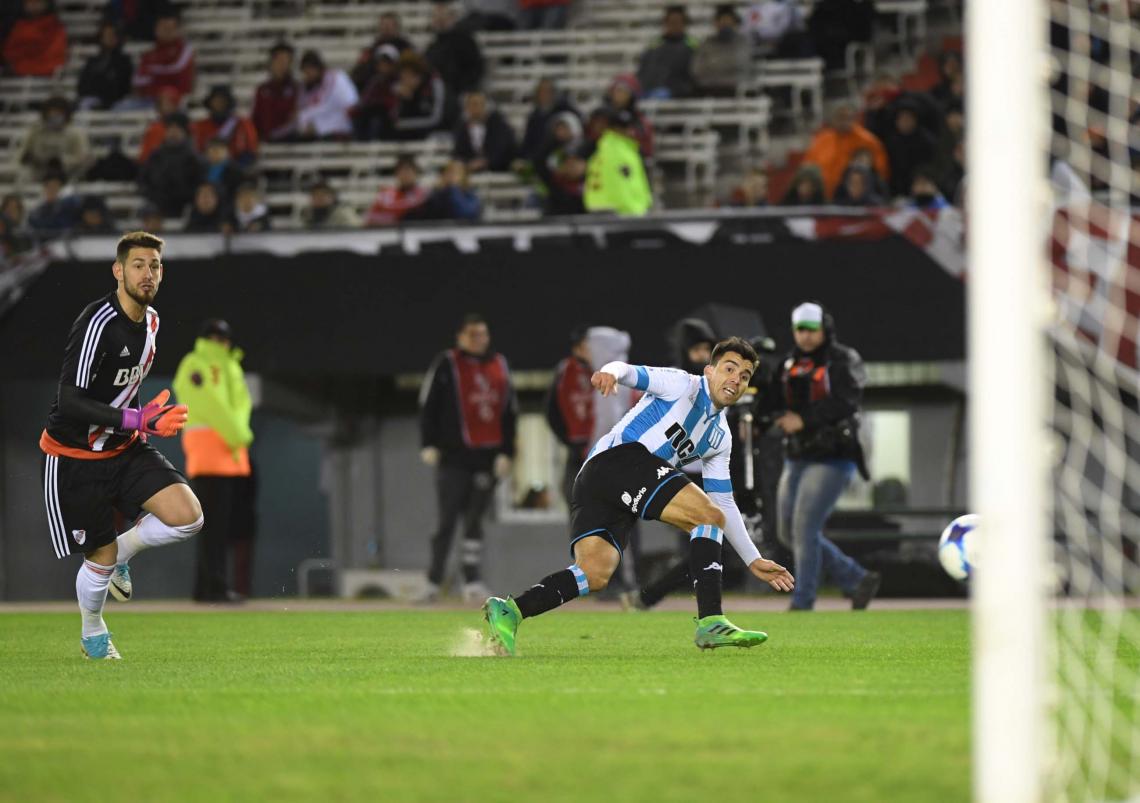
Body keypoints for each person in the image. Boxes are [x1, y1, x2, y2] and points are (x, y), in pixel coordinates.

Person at [481, 338, 794, 656]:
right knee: (707, 516)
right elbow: (629, 371)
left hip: (599, 481)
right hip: (617, 461)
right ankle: (711, 619)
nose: (735, 379)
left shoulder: (721, 437)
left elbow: (724, 502)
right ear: (710, 371)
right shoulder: (681, 384)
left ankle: (511, 612)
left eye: (744, 376)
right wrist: (609, 372)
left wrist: (752, 558)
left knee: (595, 573)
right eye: (729, 369)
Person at [39, 231, 201, 659]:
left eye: (155, 266)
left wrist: (149, 420)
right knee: (100, 555)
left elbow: (123, 391)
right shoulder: (97, 323)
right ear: (118, 271)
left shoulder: (152, 322)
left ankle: (123, 553)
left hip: (123, 446)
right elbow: (70, 401)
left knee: (188, 518)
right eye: (138, 265)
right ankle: (93, 633)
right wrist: (135, 419)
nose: (148, 274)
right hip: (74, 457)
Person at [759, 302, 879, 611]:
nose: (806, 336)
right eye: (800, 329)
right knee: (788, 532)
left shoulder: (843, 360)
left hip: (834, 455)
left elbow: (847, 400)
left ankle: (803, 601)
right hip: (797, 455)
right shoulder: (786, 364)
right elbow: (769, 401)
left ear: (824, 328)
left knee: (804, 528)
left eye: (812, 329)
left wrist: (804, 419)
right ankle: (856, 577)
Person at [418, 314, 517, 602]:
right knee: (446, 521)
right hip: (452, 458)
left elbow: (510, 410)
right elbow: (428, 405)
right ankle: (433, 581)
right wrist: (428, 443)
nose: (480, 340)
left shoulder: (499, 365)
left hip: (486, 459)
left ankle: (472, 581)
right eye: (473, 335)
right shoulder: (446, 364)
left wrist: (507, 452)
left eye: (483, 334)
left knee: (474, 522)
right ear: (460, 337)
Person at [172, 319, 254, 602]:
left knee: (217, 526)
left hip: (227, 454)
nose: (222, 341)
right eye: (217, 337)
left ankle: (206, 587)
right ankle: (213, 588)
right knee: (212, 527)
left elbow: (241, 402)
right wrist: (238, 433)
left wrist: (237, 434)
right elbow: (209, 404)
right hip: (211, 453)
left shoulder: (229, 365)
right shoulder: (197, 363)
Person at [544, 326, 595, 505]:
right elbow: (552, 412)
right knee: (574, 496)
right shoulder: (566, 370)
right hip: (578, 450)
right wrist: (570, 441)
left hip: (608, 448)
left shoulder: (612, 368)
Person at [801, 103, 889, 199]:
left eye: (847, 117)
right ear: (833, 118)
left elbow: (881, 171)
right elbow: (808, 169)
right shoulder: (821, 141)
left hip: (856, 200)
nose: (844, 121)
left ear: (855, 118)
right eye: (840, 117)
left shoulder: (868, 141)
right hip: (824, 198)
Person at [583, 110, 652, 216]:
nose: (628, 131)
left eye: (627, 126)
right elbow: (625, 184)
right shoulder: (618, 150)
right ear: (613, 128)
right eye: (621, 127)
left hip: (603, 207)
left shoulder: (605, 148)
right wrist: (637, 209)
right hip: (618, 211)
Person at [138, 112, 202, 218]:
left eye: (177, 129)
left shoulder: (193, 157)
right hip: (156, 204)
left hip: (184, 205)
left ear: (184, 132)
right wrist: (151, 194)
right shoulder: (156, 155)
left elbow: (198, 183)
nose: (173, 132)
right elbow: (143, 180)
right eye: (170, 129)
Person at [130, 7, 195, 106]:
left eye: (169, 28)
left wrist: (152, 72)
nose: (166, 31)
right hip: (148, 99)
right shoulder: (149, 54)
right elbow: (138, 80)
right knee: (119, 108)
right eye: (163, 28)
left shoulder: (185, 51)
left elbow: (178, 72)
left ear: (177, 29)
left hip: (175, 100)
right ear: (156, 29)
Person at [19, 95, 91, 181]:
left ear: (66, 115)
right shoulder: (35, 132)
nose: (55, 116)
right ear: (45, 114)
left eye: (59, 113)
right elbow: (23, 155)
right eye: (52, 113)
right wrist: (33, 158)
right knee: (23, 173)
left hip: (68, 174)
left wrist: (62, 161)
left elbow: (84, 157)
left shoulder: (76, 133)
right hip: (38, 173)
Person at [296, 50, 359, 140]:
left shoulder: (338, 79)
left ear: (319, 67)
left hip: (339, 130)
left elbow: (351, 105)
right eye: (306, 71)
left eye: (311, 69)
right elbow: (304, 114)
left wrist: (319, 126)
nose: (309, 74)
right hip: (316, 134)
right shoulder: (305, 89)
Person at [424, 1, 484, 95]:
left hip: (462, 92)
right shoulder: (433, 45)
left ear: (451, 18)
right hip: (441, 93)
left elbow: (476, 67)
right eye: (437, 17)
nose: (440, 21)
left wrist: (465, 87)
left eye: (443, 17)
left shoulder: (465, 40)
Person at [637, 5, 697, 99]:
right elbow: (643, 73)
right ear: (666, 23)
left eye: (678, 22)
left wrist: (675, 91)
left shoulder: (693, 46)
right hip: (652, 93)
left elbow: (692, 77)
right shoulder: (654, 47)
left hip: (678, 97)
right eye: (671, 22)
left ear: (684, 24)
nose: (675, 25)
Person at [692, 4, 751, 98]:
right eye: (723, 23)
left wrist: (714, 64)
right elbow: (697, 69)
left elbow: (741, 64)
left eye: (728, 23)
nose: (725, 26)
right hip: (710, 89)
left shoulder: (742, 42)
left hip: (735, 88)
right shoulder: (706, 44)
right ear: (716, 23)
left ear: (735, 24)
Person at [390, 52, 452, 140]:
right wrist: (406, 100)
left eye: (408, 75)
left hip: (441, 132)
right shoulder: (403, 90)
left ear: (418, 75)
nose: (404, 80)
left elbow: (436, 119)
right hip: (416, 134)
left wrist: (402, 124)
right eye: (402, 76)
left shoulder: (435, 84)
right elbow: (395, 119)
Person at [192, 86, 259, 167]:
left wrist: (235, 168)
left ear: (229, 103)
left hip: (236, 168)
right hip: (208, 169)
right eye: (216, 101)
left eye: (222, 101)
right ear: (210, 103)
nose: (219, 104)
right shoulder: (200, 125)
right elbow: (198, 150)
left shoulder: (243, 124)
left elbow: (251, 149)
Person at [452, 90, 518, 173]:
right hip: (469, 170)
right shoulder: (461, 128)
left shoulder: (499, 126)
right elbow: (458, 152)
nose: (476, 108)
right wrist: (468, 164)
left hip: (498, 169)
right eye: (472, 104)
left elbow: (504, 150)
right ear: (467, 107)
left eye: (479, 104)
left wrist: (485, 162)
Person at [883, 101, 937, 198]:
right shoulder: (891, 141)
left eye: (908, 119)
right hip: (895, 192)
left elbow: (931, 168)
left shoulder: (927, 141)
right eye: (901, 119)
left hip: (921, 190)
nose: (904, 122)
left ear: (915, 120)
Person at [519, 78, 579, 162]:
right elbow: (528, 143)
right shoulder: (534, 117)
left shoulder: (566, 110)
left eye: (547, 91)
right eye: (540, 91)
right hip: (540, 159)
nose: (543, 94)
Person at [77, 21, 133, 110]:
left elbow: (123, 87)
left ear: (117, 37)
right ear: (101, 38)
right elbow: (82, 85)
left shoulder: (124, 61)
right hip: (93, 99)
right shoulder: (93, 61)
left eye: (112, 34)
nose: (109, 38)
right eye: (106, 35)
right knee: (84, 103)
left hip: (116, 102)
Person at [350, 11, 413, 91]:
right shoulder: (371, 49)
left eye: (389, 25)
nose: (386, 28)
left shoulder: (406, 48)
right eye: (384, 24)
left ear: (397, 26)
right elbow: (360, 71)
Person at [2, 0, 67, 77]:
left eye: (37, 2)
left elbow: (56, 53)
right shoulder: (18, 26)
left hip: (46, 69)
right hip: (19, 70)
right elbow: (10, 52)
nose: (33, 6)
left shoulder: (55, 27)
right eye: (30, 3)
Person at [405, 160, 482, 222]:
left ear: (464, 177)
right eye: (449, 172)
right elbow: (425, 214)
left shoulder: (470, 196)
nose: (451, 176)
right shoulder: (436, 195)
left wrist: (453, 189)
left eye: (456, 173)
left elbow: (464, 214)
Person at [252, 43, 299, 143]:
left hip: (291, 143)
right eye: (279, 60)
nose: (282, 65)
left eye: (286, 61)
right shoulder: (262, 90)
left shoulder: (297, 89)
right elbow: (256, 117)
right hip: (266, 143)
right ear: (271, 62)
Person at [365, 154, 428, 226]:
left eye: (408, 171)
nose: (405, 175)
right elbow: (370, 219)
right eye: (402, 171)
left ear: (416, 173)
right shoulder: (385, 195)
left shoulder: (424, 195)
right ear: (396, 173)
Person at [602, 74, 655, 158]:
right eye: (616, 91)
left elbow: (646, 149)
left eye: (623, 91)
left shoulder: (639, 121)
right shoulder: (601, 117)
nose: (618, 95)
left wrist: (626, 133)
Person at [137, 88, 184, 164]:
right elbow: (144, 157)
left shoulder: (185, 127)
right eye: (163, 103)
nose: (166, 107)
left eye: (170, 103)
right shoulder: (154, 128)